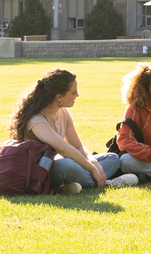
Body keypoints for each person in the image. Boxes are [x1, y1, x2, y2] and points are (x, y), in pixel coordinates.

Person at [9, 67, 141, 192]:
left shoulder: (63, 112)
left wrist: (93, 162)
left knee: (112, 158)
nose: (77, 95)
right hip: (41, 171)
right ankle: (108, 183)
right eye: (73, 92)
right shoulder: (36, 120)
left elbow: (77, 146)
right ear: (59, 96)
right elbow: (62, 148)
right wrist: (92, 169)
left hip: (62, 163)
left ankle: (70, 186)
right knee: (68, 166)